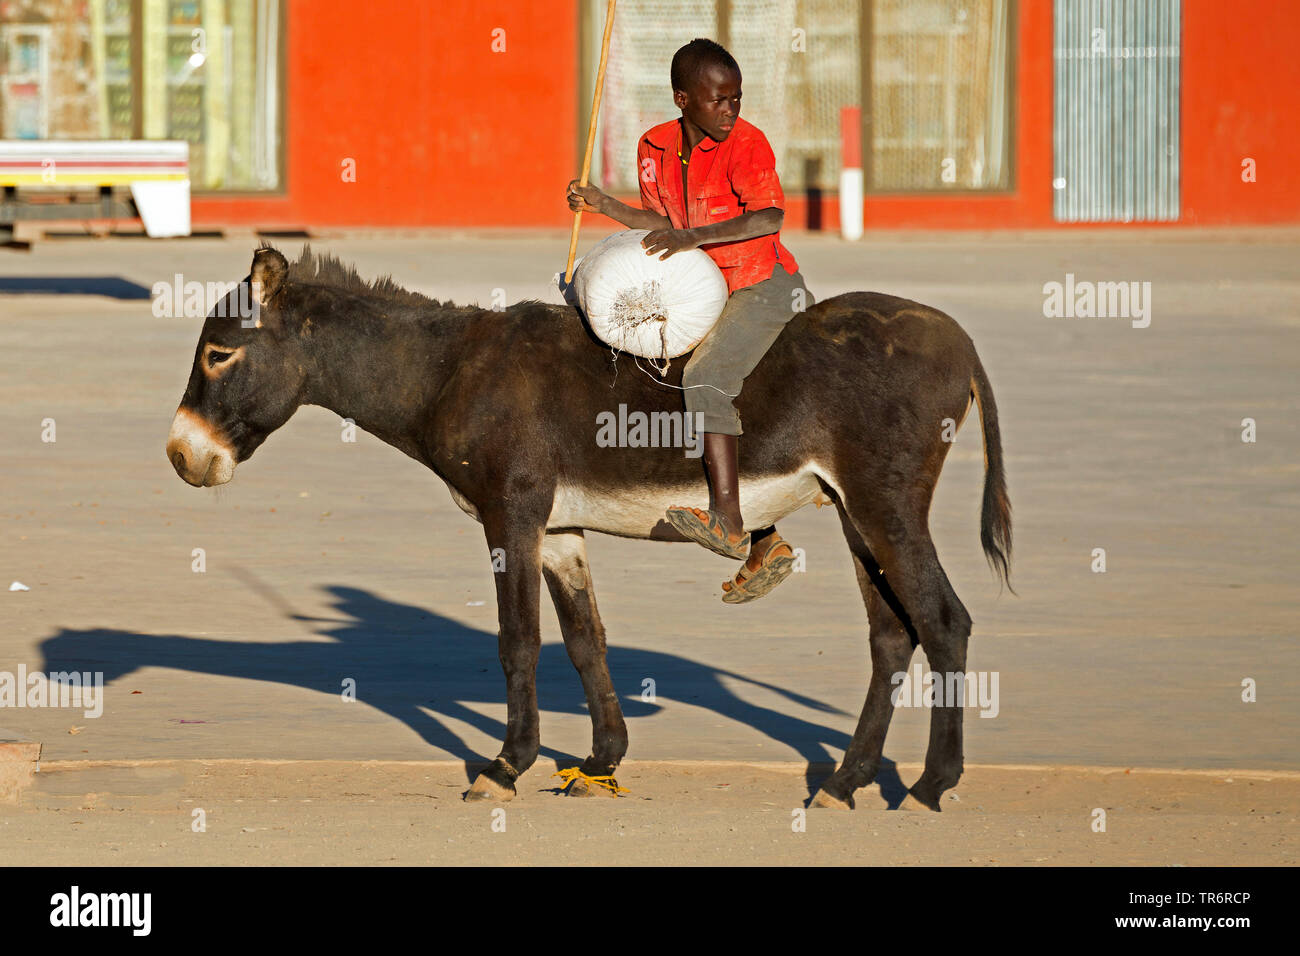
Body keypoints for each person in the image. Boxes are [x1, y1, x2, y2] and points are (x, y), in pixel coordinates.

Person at [567, 37, 813, 603]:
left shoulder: (748, 144)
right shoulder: (653, 145)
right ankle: (767, 539)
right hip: (701, 288)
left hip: (761, 284)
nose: (731, 110)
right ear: (683, 99)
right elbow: (659, 219)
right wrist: (601, 203)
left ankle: (728, 522)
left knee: (705, 381)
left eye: (737, 98)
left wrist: (693, 238)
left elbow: (770, 215)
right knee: (652, 380)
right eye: (719, 100)